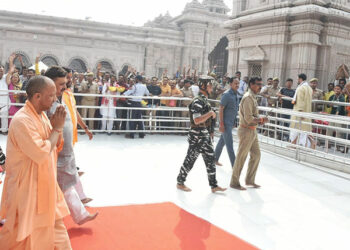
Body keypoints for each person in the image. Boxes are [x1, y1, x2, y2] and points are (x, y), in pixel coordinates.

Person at [0, 75, 72, 249]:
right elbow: (40, 153)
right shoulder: (22, 121)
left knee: (58, 234)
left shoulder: (41, 116)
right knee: (23, 238)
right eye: (51, 95)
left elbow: (54, 146)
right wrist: (57, 128)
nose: (55, 99)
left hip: (46, 187)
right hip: (27, 191)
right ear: (37, 96)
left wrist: (56, 130)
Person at [45, 66, 98, 226]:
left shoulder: (65, 95)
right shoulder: (45, 103)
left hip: (67, 149)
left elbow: (74, 114)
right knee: (62, 186)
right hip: (53, 152)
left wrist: (85, 128)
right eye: (62, 82)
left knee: (66, 184)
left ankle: (78, 213)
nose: (67, 83)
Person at [176, 75, 226, 193]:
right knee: (190, 159)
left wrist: (210, 131)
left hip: (204, 134)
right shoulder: (198, 101)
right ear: (203, 86)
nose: (211, 87)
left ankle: (214, 185)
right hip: (197, 135)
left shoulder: (204, 99)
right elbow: (197, 120)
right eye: (209, 85)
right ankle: (180, 182)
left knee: (210, 159)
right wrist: (210, 114)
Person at [230, 77, 268, 190]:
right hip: (246, 130)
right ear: (251, 84)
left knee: (256, 155)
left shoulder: (253, 97)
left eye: (261, 84)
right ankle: (234, 182)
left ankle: (250, 180)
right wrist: (261, 120)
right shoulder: (248, 98)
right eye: (258, 84)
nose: (260, 87)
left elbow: (253, 117)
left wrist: (260, 120)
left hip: (252, 130)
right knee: (241, 157)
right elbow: (248, 118)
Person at [214, 77, 239, 167]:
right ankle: (235, 167)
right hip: (225, 123)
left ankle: (215, 159)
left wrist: (234, 122)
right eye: (235, 83)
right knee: (230, 145)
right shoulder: (227, 94)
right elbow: (221, 109)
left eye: (238, 83)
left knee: (222, 141)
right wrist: (221, 124)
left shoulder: (236, 94)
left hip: (230, 122)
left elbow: (234, 110)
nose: (237, 85)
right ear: (230, 84)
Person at [290, 73, 314, 148]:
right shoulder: (309, 88)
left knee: (296, 129)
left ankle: (295, 145)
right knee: (305, 130)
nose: (297, 80)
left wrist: (301, 112)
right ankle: (305, 145)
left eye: (297, 79)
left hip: (299, 112)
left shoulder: (300, 88)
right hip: (307, 112)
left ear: (300, 79)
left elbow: (300, 101)